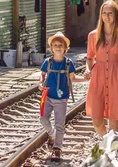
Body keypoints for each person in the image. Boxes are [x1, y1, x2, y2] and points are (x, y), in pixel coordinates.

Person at [84, 0, 118, 136]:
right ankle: (107, 141)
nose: (107, 16)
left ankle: (110, 150)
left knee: (114, 119)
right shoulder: (93, 35)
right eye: (104, 13)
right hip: (97, 77)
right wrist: (88, 69)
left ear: (115, 15)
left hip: (116, 77)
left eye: (110, 13)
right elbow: (89, 57)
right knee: (96, 120)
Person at [39, 32, 84, 160]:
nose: (58, 47)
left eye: (60, 45)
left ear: (65, 48)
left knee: (60, 124)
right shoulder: (48, 62)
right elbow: (42, 74)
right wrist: (40, 82)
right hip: (47, 96)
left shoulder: (68, 63)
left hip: (61, 98)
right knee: (43, 118)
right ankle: (51, 133)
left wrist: (86, 79)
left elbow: (73, 78)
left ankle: (57, 148)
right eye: (55, 45)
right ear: (51, 48)